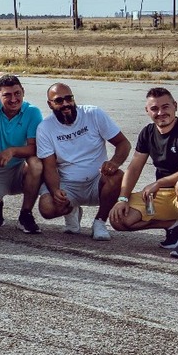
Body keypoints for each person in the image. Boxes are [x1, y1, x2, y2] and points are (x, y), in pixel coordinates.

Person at [109, 87, 178, 258]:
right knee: (119, 219)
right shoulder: (147, 132)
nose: (160, 112)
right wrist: (122, 199)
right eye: (154, 109)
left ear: (175, 106)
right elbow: (134, 167)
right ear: (147, 111)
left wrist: (158, 183)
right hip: (166, 196)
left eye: (165, 107)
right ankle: (174, 226)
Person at [36, 85, 130, 240]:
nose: (66, 104)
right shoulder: (45, 128)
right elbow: (50, 167)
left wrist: (114, 162)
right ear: (50, 104)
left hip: (96, 182)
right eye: (59, 100)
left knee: (117, 176)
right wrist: (55, 191)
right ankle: (71, 210)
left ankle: (100, 222)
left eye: (69, 98)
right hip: (68, 185)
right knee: (47, 209)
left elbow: (123, 143)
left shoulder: (93, 114)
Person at [0, 74, 44, 232]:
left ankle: (25, 215)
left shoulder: (32, 112)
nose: (13, 99)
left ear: (23, 91)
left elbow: (35, 147)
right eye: (7, 95)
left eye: (17, 93)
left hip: (18, 168)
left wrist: (12, 151)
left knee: (35, 163)